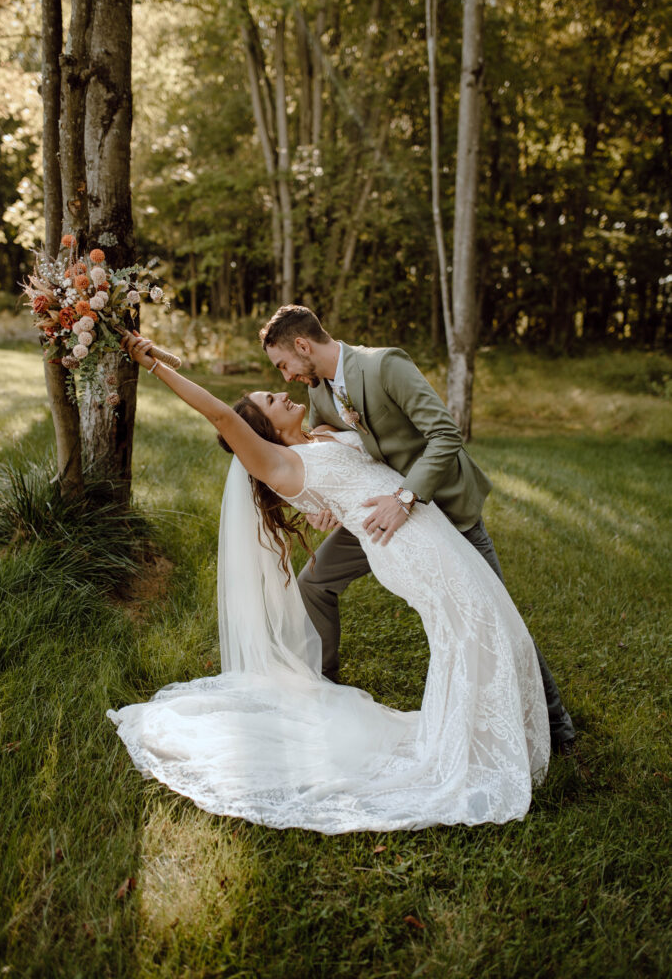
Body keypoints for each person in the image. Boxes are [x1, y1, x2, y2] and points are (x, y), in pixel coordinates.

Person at [106, 332, 549, 833]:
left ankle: (486, 734)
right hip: (406, 547)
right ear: (262, 431)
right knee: (470, 626)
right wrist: (156, 366)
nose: (282, 393)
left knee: (479, 621)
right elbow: (223, 417)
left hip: (426, 525)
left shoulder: (319, 432)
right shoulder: (280, 464)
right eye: (271, 401)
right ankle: (474, 748)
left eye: (276, 386)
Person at [260, 305, 575, 754]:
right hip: (375, 511)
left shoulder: (384, 364)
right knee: (314, 581)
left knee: (495, 613)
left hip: (439, 505)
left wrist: (405, 498)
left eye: (283, 363)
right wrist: (323, 506)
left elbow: (446, 435)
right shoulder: (320, 393)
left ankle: (556, 725)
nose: (286, 375)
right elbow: (327, 448)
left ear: (303, 346)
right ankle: (325, 686)